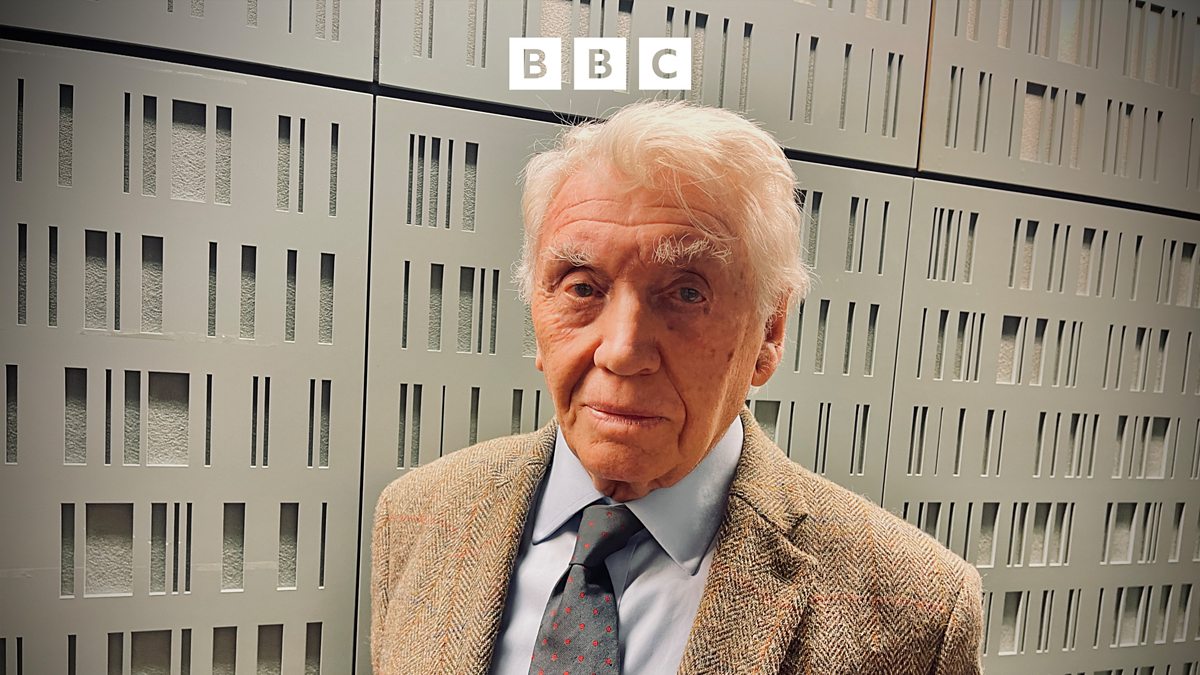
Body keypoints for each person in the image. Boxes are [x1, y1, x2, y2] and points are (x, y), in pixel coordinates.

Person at [371, 100, 983, 674]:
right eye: (582, 287)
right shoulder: (419, 514)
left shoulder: (915, 606)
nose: (622, 351)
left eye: (687, 293)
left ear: (770, 331)